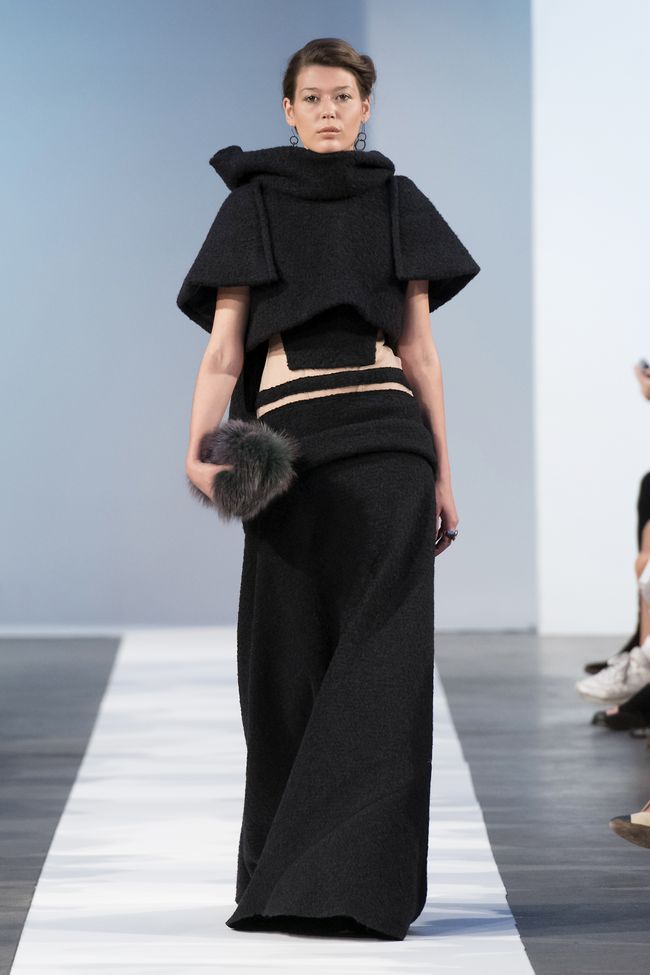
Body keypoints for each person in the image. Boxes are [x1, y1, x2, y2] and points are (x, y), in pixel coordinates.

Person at [177, 37, 480, 941]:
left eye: (343, 96)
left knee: (385, 669)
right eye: (312, 97)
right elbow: (224, 350)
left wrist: (443, 471)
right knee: (285, 662)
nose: (328, 111)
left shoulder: (396, 200)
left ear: (366, 105)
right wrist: (198, 448)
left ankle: (357, 885)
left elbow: (420, 351)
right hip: (289, 454)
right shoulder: (254, 203)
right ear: (287, 109)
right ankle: (293, 876)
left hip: (389, 446)